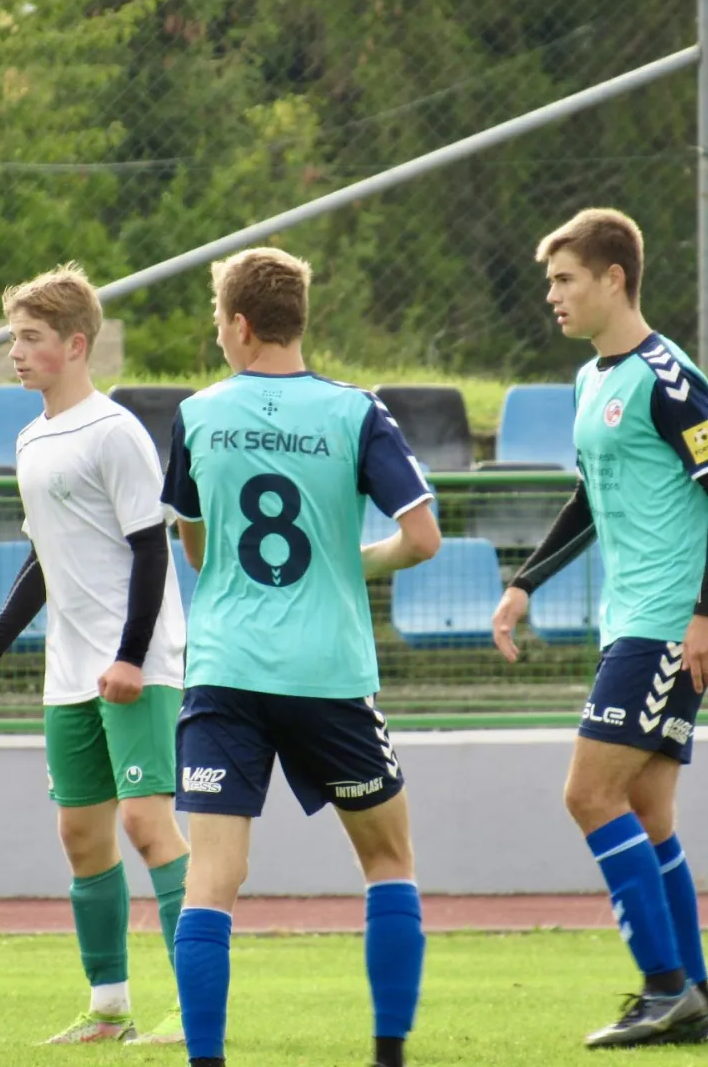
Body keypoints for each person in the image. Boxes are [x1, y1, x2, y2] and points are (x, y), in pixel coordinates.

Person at [160, 247, 441, 1067]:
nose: (219, 337)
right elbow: (422, 538)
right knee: (388, 860)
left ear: (242, 324)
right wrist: (347, 563)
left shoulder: (197, 414)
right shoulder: (357, 412)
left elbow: (197, 547)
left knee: (212, 880)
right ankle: (387, 1056)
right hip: (328, 673)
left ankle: (206, 1062)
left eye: (220, 324)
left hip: (226, 670)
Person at [491, 208, 708, 1048]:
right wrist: (525, 583)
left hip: (668, 619)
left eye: (565, 279)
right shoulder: (590, 381)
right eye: (550, 282)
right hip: (638, 618)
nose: (552, 296)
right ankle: (694, 999)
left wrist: (705, 612)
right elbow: (589, 498)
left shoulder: (667, 378)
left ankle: (665, 989)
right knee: (646, 808)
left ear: (614, 278)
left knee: (588, 794)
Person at [0, 264, 190, 1046]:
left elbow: (151, 550)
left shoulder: (115, 432)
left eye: (31, 338)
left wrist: (130, 656)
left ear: (76, 344)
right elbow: (43, 559)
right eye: (13, 337)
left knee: (148, 824)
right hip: (70, 673)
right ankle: (109, 1007)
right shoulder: (30, 437)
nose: (15, 352)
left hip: (136, 666)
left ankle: (198, 1006)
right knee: (81, 836)